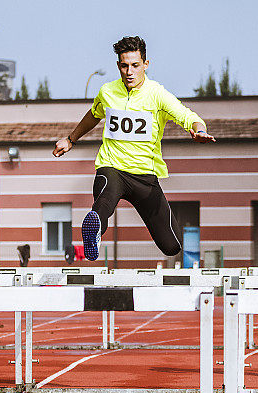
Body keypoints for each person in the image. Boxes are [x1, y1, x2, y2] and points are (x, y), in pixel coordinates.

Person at [53, 36, 216, 261]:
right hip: (113, 167)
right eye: (124, 65)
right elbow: (94, 114)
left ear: (145, 65)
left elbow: (188, 116)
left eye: (135, 65)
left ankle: (101, 227)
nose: (129, 72)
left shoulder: (158, 95)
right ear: (118, 65)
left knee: (172, 246)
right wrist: (71, 139)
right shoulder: (107, 91)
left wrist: (198, 129)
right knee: (104, 196)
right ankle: (94, 232)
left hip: (145, 178)